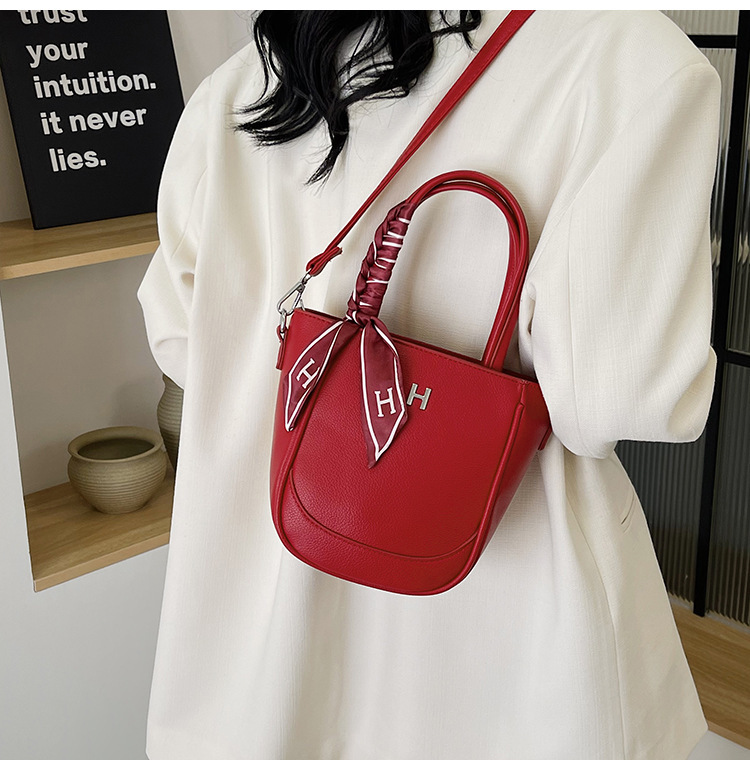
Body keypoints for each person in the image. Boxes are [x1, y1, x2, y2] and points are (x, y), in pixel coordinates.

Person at [137, 10, 720, 760]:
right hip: (496, 657)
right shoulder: (627, 59)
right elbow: (619, 395)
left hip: (249, 647)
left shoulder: (250, 79)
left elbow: (179, 340)